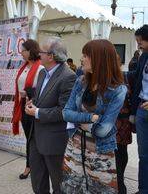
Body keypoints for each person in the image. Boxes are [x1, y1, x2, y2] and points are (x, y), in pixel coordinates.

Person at [62, 39, 127, 193]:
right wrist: (90, 118)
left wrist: (78, 119)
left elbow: (103, 130)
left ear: (99, 58)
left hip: (100, 151)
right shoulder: (81, 81)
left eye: (86, 55)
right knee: (71, 188)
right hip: (75, 145)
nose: (81, 58)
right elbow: (66, 113)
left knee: (99, 189)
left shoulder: (118, 90)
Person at [25, 37, 76, 194]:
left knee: (58, 185)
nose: (38, 54)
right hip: (36, 137)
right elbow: (44, 98)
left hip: (54, 140)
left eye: (41, 51)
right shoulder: (42, 73)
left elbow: (64, 111)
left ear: (51, 56)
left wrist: (37, 112)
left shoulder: (68, 76)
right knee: (38, 183)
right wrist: (33, 102)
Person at [12, 39, 44, 180]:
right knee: (29, 138)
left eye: (23, 50)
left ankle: (30, 166)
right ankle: (31, 165)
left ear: (31, 51)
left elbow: (43, 90)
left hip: (35, 107)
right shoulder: (24, 66)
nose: (21, 52)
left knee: (34, 139)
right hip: (23, 106)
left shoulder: (41, 68)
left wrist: (29, 92)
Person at [129, 25, 148, 194]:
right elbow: (134, 76)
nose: (138, 45)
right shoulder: (143, 57)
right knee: (143, 154)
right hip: (142, 109)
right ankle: (143, 189)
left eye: (140, 41)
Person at [115, 69, 136, 194]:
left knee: (121, 151)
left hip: (123, 122)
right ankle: (119, 183)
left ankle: (120, 182)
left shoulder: (125, 77)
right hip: (113, 121)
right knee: (116, 153)